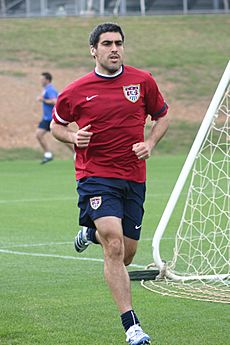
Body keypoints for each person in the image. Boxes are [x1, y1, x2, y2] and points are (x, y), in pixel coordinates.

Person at [51, 23, 169, 345]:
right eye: (107, 44)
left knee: (127, 254)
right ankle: (132, 327)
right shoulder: (76, 91)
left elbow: (162, 117)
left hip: (134, 177)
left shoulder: (142, 81)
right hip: (96, 176)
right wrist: (74, 136)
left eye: (118, 43)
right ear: (94, 50)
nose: (114, 48)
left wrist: (151, 143)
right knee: (114, 246)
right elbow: (56, 126)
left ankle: (90, 232)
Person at [36, 72, 58, 164]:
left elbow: (55, 101)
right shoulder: (45, 89)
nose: (40, 81)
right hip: (46, 118)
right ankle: (48, 154)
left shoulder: (50, 90)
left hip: (51, 118)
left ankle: (76, 153)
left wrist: (43, 100)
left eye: (42, 79)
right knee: (38, 135)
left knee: (63, 137)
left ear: (47, 80)